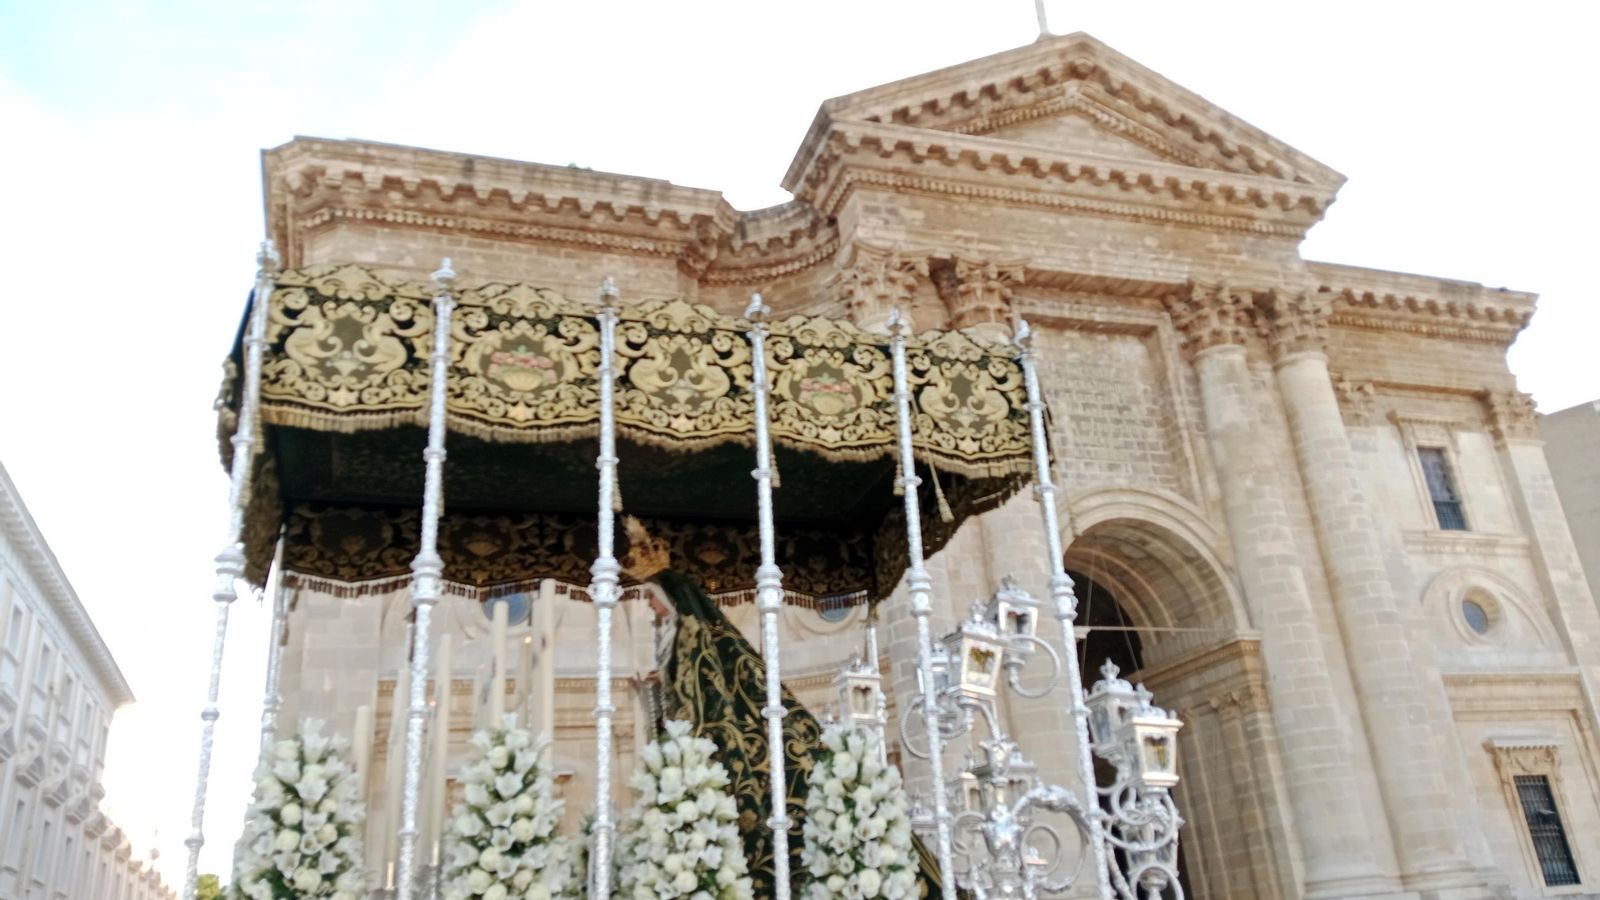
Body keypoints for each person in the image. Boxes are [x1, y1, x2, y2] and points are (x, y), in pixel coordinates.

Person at [621, 516, 945, 898]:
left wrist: (670, 680)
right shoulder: (679, 636)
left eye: (651, 596)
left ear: (670, 598)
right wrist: (662, 680)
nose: (649, 605)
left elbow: (702, 683)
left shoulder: (692, 633)